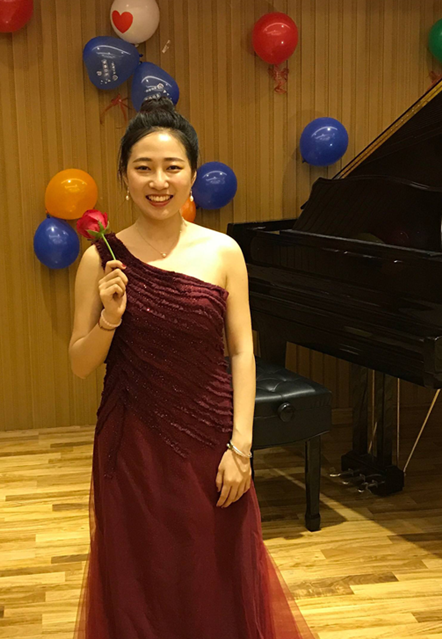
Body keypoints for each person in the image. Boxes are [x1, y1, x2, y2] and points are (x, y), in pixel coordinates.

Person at [69, 96, 315, 639]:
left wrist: (241, 448)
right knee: (139, 576)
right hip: (131, 449)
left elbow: (242, 351)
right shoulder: (100, 259)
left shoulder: (224, 252)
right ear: (123, 177)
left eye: (172, 167)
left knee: (214, 571)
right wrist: (110, 319)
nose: (159, 181)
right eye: (143, 168)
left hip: (211, 442)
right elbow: (81, 364)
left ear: (193, 176)